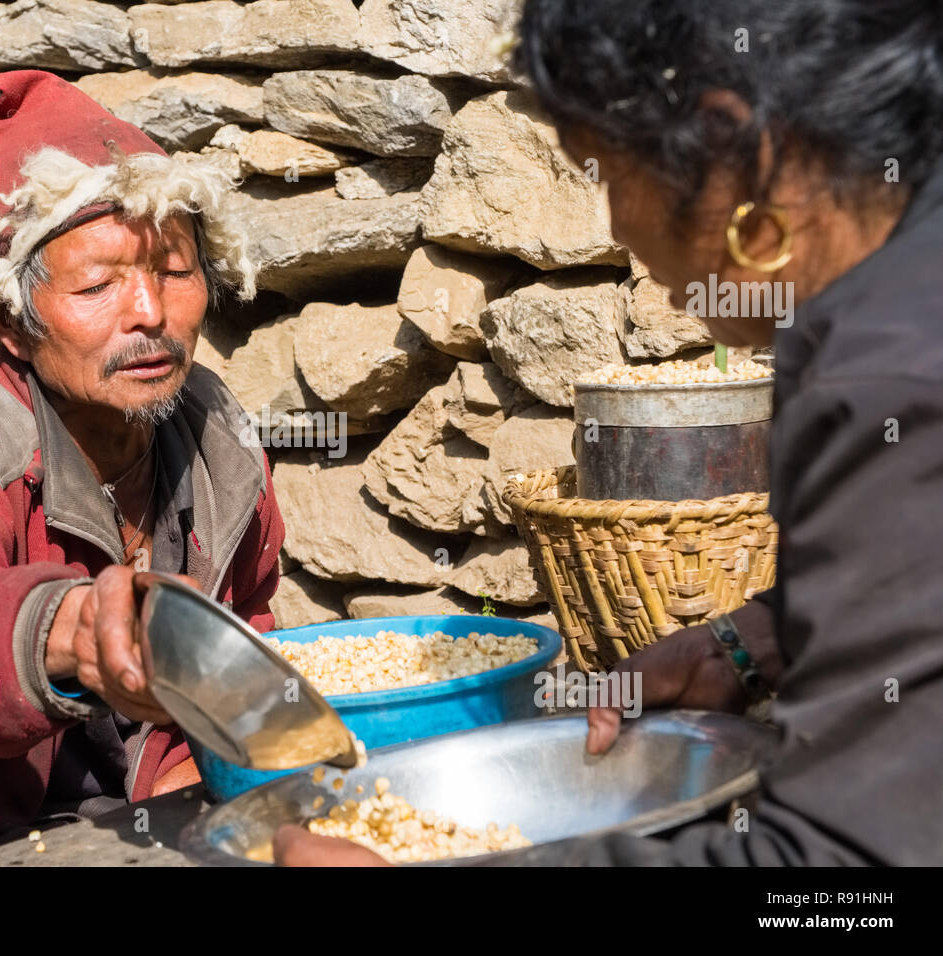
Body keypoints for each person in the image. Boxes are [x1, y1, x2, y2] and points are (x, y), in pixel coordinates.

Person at [276, 0, 943, 866]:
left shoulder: (887, 382)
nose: (618, 227)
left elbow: (845, 883)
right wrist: (754, 639)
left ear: (727, 148)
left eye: (601, 171)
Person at [0, 70, 284, 867]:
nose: (149, 312)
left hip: (168, 808)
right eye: (99, 283)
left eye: (175, 273)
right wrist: (69, 633)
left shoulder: (217, 433)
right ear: (12, 320)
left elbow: (247, 621)